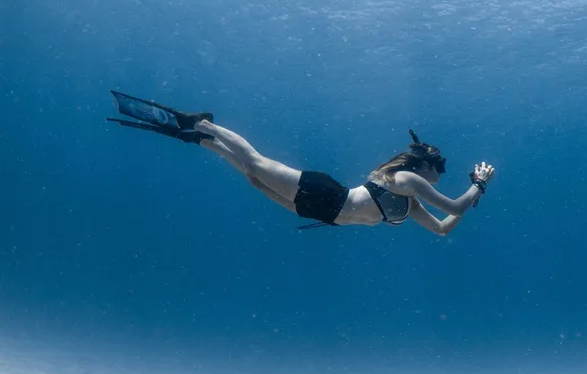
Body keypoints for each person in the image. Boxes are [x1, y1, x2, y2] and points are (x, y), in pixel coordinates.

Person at [106, 91, 495, 236]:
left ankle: (202, 141)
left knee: (254, 180)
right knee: (257, 164)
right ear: (424, 164)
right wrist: (479, 184)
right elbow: (456, 205)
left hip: (323, 214)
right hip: (330, 195)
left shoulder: (410, 205)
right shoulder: (407, 178)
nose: (438, 177)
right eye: (438, 170)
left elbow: (445, 227)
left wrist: (474, 197)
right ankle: (204, 122)